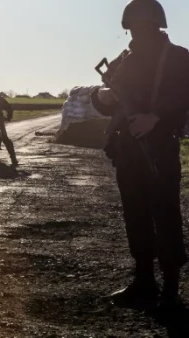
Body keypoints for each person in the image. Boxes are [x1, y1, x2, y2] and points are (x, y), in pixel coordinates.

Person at [91, 0, 189, 311]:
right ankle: (144, 280)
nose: (137, 32)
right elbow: (109, 101)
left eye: (143, 27)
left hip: (160, 146)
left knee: (165, 214)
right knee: (135, 214)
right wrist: (102, 97)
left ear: (157, 25)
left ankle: (171, 289)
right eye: (133, 28)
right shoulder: (125, 59)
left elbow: (183, 95)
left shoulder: (178, 57)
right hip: (128, 147)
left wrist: (156, 117)